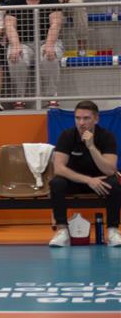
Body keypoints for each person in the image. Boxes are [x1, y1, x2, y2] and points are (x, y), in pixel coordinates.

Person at [48, 101, 120, 248]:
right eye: (78, 118)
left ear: (96, 119)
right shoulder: (67, 136)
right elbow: (59, 168)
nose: (81, 123)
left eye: (86, 118)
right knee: (57, 182)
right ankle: (62, 231)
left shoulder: (107, 137)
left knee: (114, 183)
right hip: (76, 181)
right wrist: (88, 180)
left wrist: (91, 147)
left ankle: (113, 231)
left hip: (100, 183)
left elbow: (109, 170)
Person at [3, 0, 62, 108]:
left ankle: (51, 96)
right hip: (23, 42)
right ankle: (20, 97)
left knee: (49, 56)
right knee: (16, 58)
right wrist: (16, 46)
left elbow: (55, 23)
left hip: (47, 40)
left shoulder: (51, 0)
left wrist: (49, 45)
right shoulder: (14, 1)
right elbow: (9, 25)